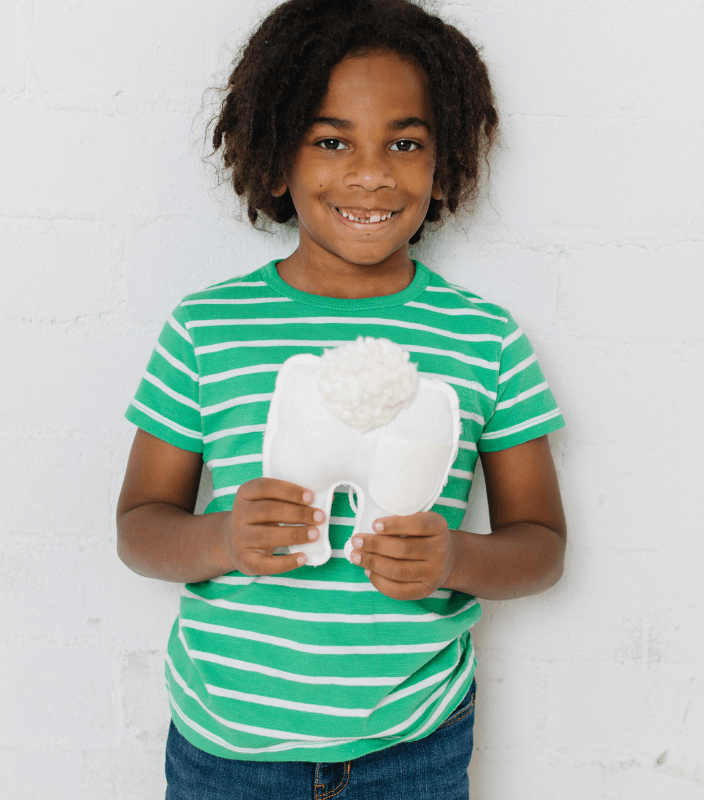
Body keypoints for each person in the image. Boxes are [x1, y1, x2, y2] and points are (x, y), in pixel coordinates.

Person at [116, 0, 567, 797]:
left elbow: (541, 544)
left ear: (444, 159)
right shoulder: (207, 327)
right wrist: (223, 539)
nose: (371, 172)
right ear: (275, 154)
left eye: (405, 142)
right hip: (229, 747)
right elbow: (139, 527)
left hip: (415, 742)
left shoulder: (484, 338)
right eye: (331, 141)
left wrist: (458, 558)